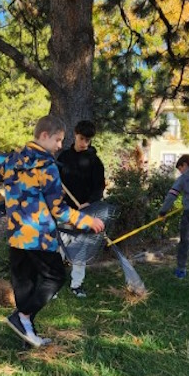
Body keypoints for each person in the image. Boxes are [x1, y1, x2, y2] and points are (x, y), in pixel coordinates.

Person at [0, 115, 105, 347]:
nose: (60, 145)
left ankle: (26, 335)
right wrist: (86, 220)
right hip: (39, 236)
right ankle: (22, 316)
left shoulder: (11, 160)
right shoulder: (47, 167)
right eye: (57, 140)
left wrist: (3, 208)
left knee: (25, 284)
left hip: (16, 235)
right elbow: (58, 210)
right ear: (44, 135)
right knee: (54, 276)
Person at [57, 119, 106, 298]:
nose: (84, 143)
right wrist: (59, 191)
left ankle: (76, 285)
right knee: (59, 248)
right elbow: (54, 181)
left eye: (88, 140)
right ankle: (53, 284)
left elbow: (99, 187)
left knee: (80, 249)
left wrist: (90, 202)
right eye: (81, 139)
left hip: (85, 212)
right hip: (63, 211)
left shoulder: (95, 162)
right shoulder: (63, 158)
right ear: (75, 135)